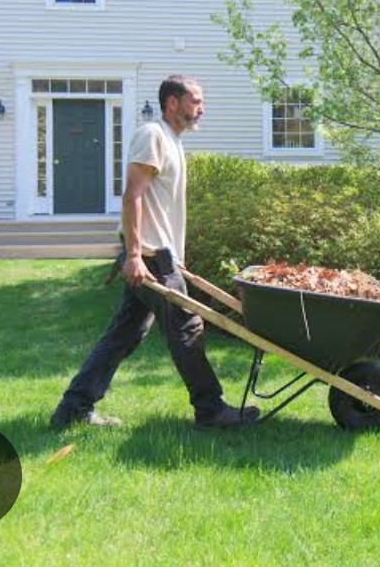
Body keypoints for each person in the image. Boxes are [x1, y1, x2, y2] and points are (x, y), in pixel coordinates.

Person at [50, 75, 258, 430]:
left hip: (159, 256)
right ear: (172, 102)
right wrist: (133, 255)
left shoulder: (173, 141)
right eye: (195, 101)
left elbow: (160, 206)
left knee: (124, 334)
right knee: (188, 329)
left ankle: (73, 408)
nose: (202, 108)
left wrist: (175, 255)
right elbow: (133, 196)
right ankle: (210, 410)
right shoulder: (153, 135)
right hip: (148, 257)